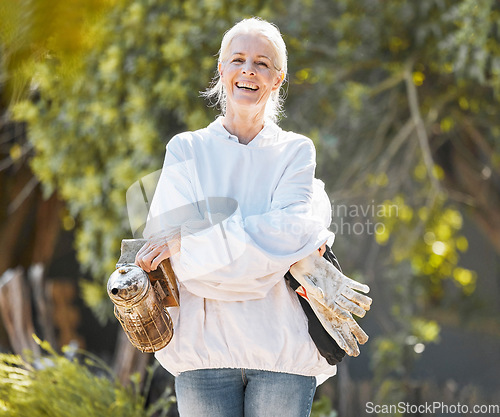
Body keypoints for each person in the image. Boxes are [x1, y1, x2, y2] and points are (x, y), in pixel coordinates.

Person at [135, 17, 337, 417]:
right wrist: (266, 254)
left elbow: (291, 233)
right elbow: (179, 264)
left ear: (278, 79)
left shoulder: (296, 152)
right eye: (238, 59)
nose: (249, 70)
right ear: (222, 71)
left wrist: (193, 240)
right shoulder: (185, 150)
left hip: (282, 353)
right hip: (203, 352)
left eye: (262, 63)